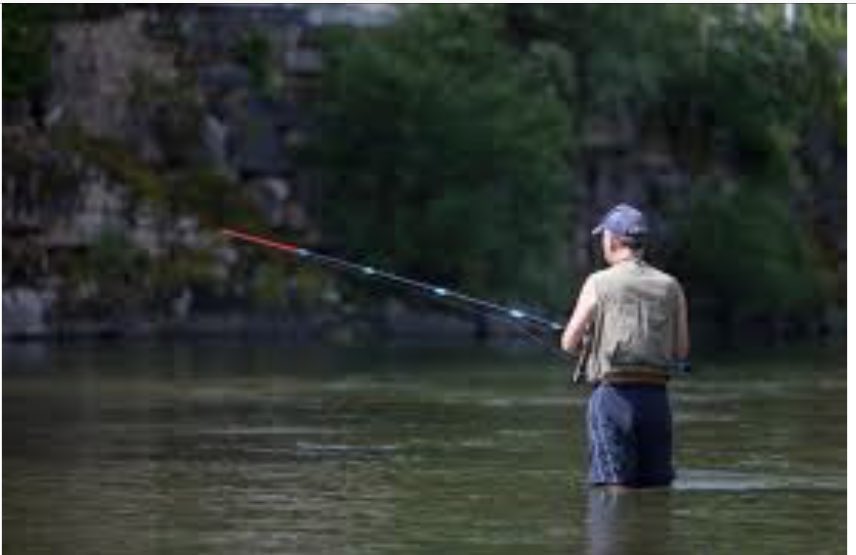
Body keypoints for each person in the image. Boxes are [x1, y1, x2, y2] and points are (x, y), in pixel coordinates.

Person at [561, 203, 690, 489]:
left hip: (613, 399)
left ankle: (616, 536)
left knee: (613, 492)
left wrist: (587, 344)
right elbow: (681, 352)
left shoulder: (598, 282)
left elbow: (568, 342)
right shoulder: (671, 286)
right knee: (656, 491)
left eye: (604, 237)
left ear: (614, 240)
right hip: (657, 402)